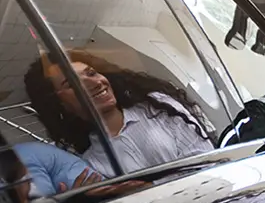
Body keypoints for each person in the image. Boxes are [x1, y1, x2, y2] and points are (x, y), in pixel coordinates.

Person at [25, 51, 215, 176]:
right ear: (60, 104)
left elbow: (206, 162)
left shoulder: (157, 106)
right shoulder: (89, 162)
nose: (96, 83)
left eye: (91, 73)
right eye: (73, 83)